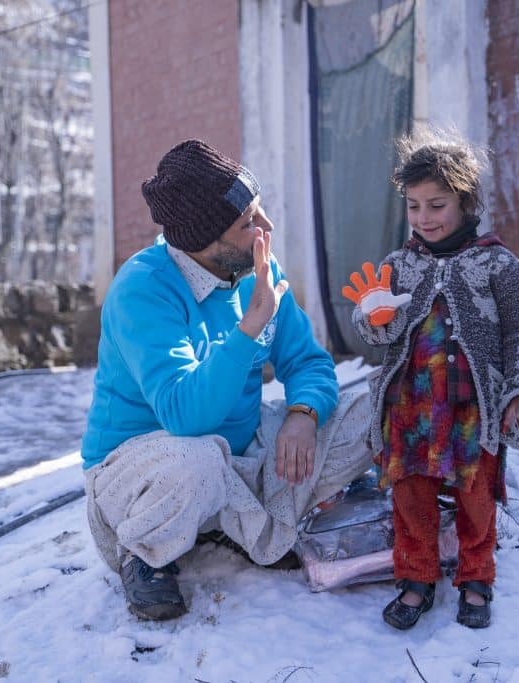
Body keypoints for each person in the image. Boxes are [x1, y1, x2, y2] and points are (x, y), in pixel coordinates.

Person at [81, 139, 371, 621]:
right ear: (203, 241)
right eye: (248, 223)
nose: (267, 228)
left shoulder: (256, 268)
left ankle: (228, 524)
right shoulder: (143, 289)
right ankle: (146, 551)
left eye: (259, 212)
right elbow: (185, 417)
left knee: (377, 403)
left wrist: (303, 415)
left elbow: (309, 363)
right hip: (149, 468)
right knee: (197, 462)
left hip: (237, 452)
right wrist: (249, 328)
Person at [342, 128, 519, 630]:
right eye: (413, 206)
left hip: (470, 409)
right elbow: (375, 331)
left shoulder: (499, 264)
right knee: (411, 496)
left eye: (436, 205)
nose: (424, 218)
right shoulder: (399, 266)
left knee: (476, 497)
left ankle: (476, 577)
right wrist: (373, 317)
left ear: (466, 201)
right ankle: (415, 578)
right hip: (409, 407)